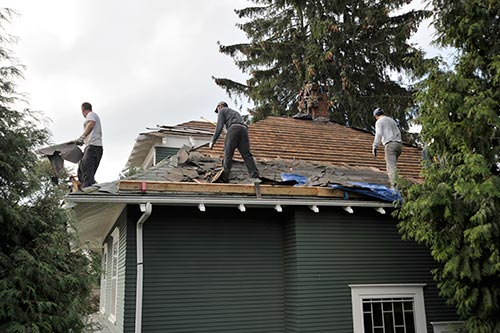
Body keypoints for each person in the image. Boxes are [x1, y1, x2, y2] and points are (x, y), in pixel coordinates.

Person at [209, 101, 260, 183]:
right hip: (244, 129)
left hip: (233, 128)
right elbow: (236, 125)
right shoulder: (235, 112)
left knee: (228, 153)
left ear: (220, 106)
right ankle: (255, 175)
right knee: (247, 155)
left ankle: (225, 177)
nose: (218, 112)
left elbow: (219, 127)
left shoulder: (222, 110)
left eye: (217, 109)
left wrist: (213, 141)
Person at [75, 102, 103, 188]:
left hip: (94, 147)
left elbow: (91, 123)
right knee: (81, 170)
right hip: (90, 146)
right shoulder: (92, 115)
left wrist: (82, 137)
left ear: (83, 109)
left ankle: (87, 190)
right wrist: (84, 140)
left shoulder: (91, 114)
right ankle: (83, 187)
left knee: (87, 172)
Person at [372, 107, 402, 187]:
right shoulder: (391, 120)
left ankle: (394, 186)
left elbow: (378, 134)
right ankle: (396, 182)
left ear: (376, 116)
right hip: (399, 145)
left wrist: (375, 146)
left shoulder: (379, 122)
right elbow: (398, 131)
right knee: (394, 164)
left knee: (391, 166)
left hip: (390, 144)